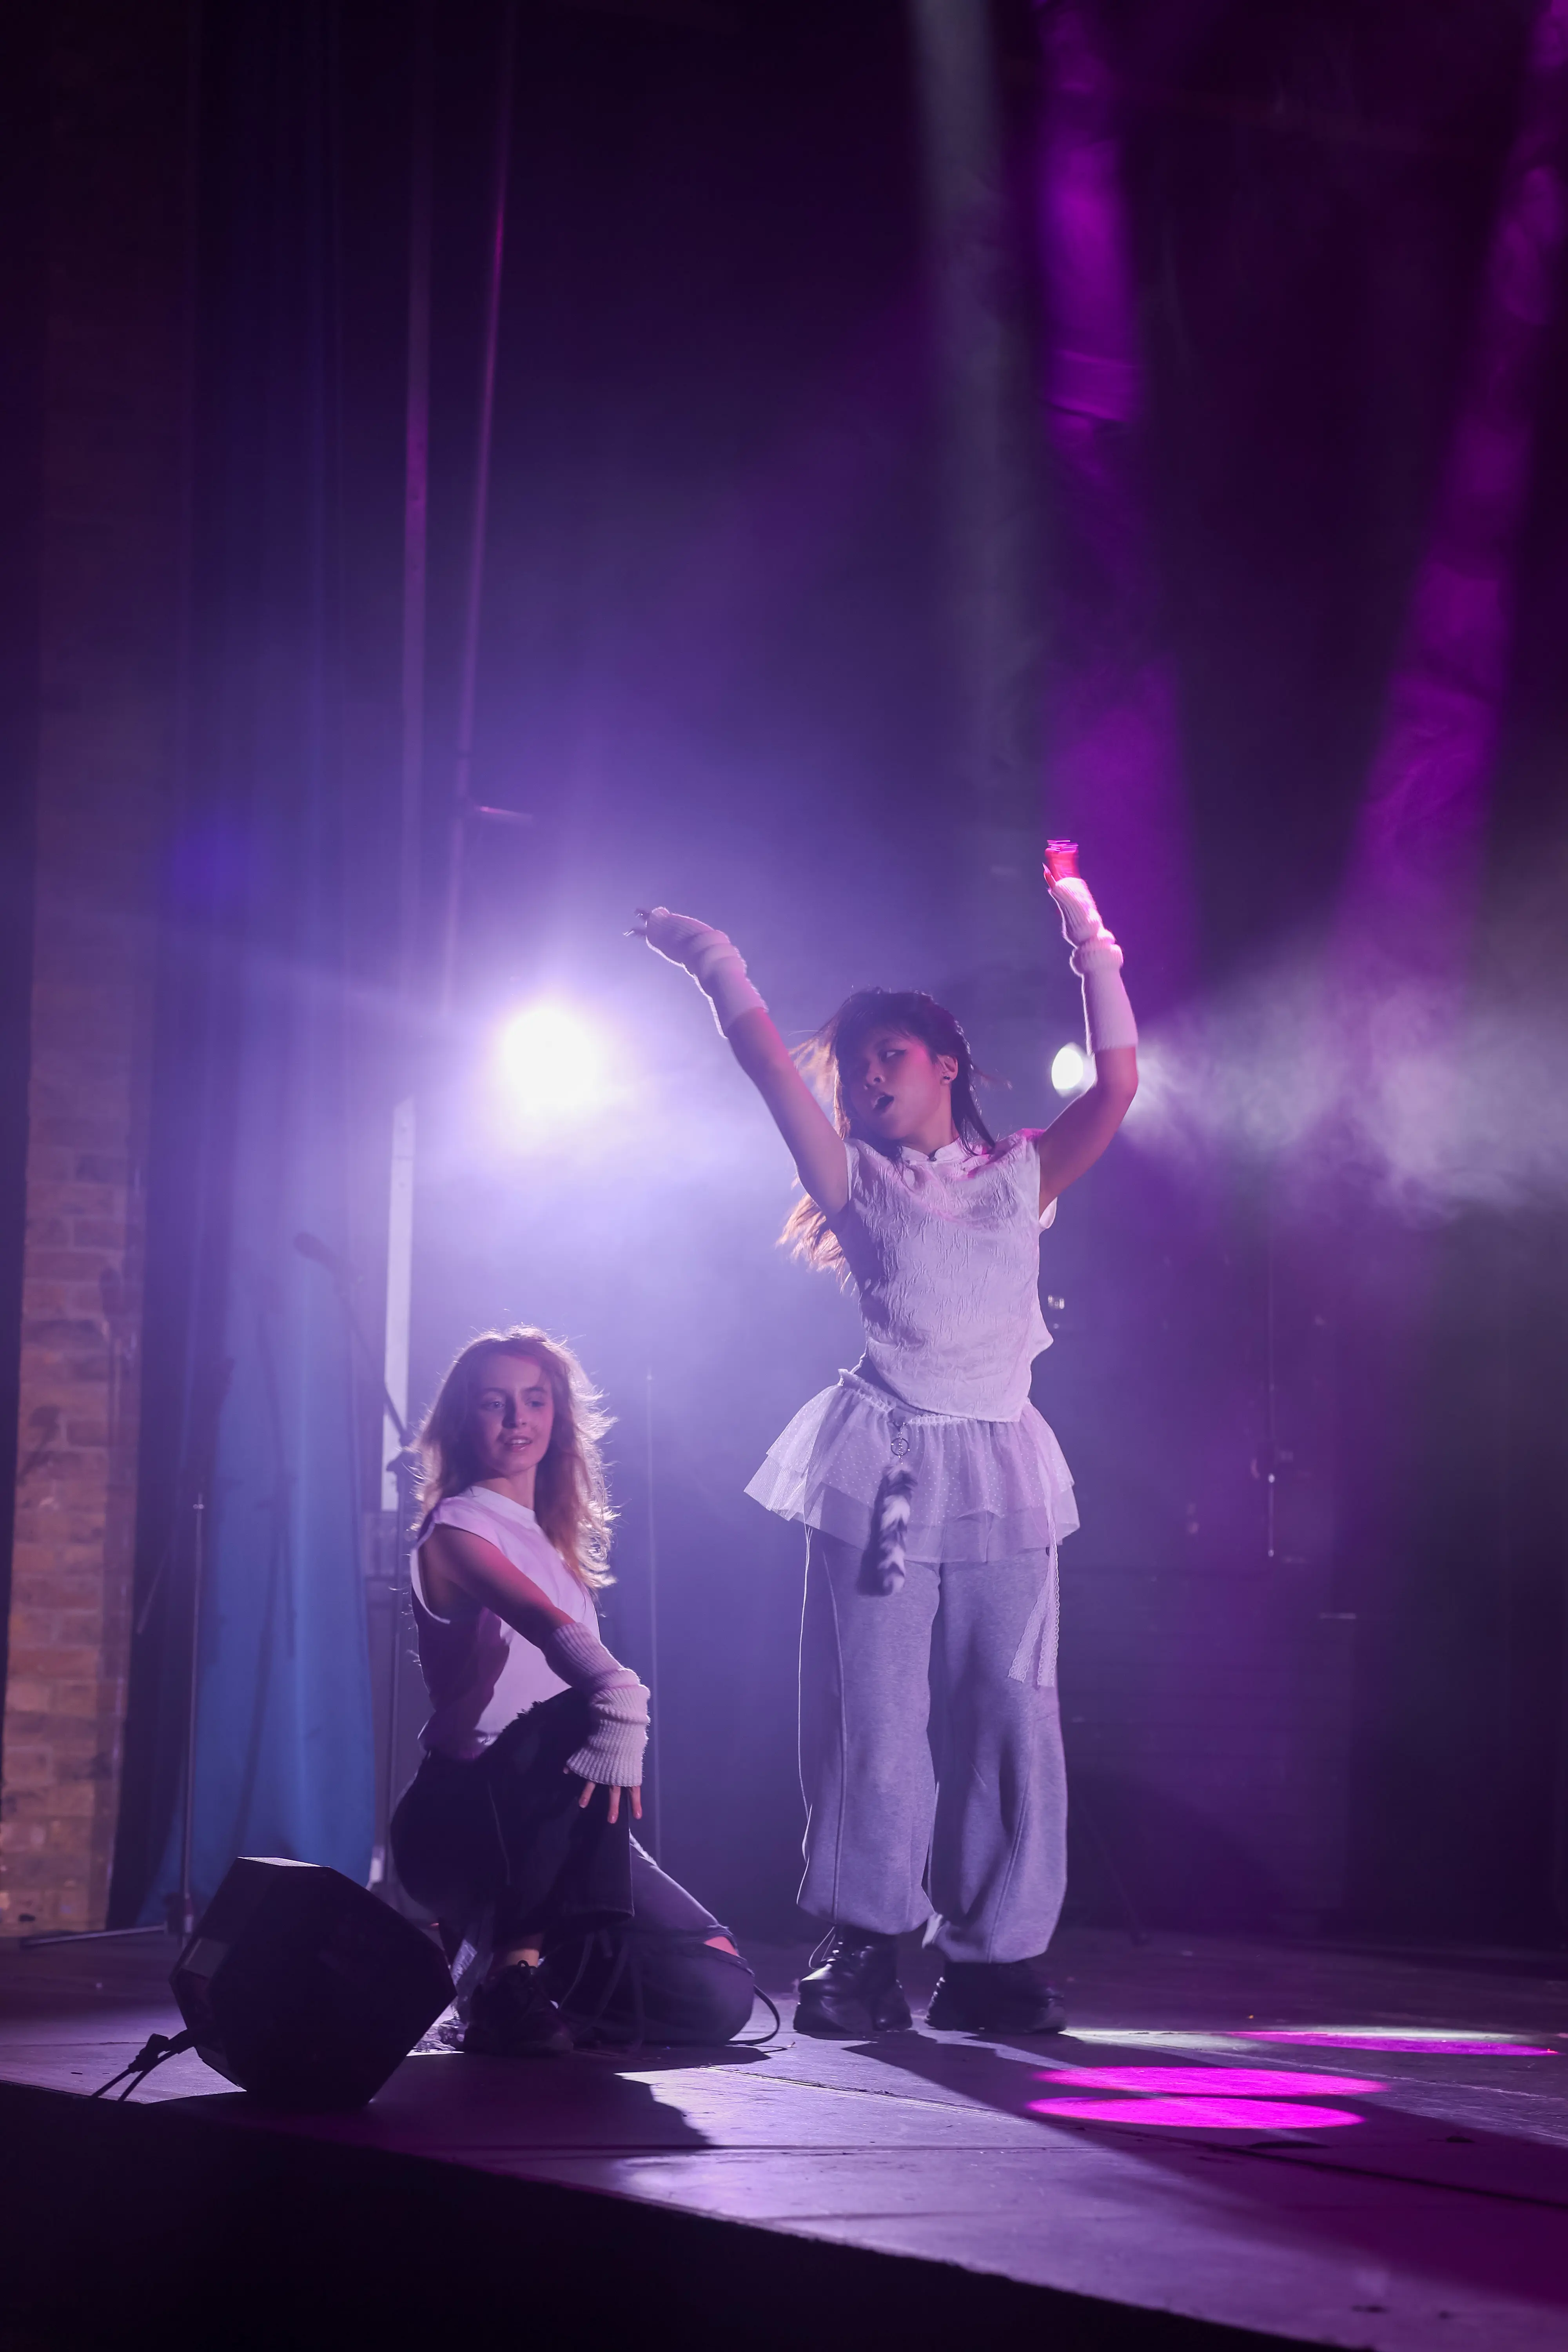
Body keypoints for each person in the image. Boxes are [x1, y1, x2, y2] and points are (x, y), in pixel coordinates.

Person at [636, 845, 1136, 2039]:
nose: (866, 1076)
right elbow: (771, 1070)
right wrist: (714, 964)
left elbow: (1117, 1084)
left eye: (889, 1055)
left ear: (945, 1063)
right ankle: (862, 1944)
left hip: (1003, 1472)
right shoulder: (856, 1179)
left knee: (1011, 1705)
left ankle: (994, 1958)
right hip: (896, 1476)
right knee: (878, 1704)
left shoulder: (1019, 1177)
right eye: (856, 1064)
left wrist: (1089, 936)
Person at [390, 1327, 760, 2054]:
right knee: (574, 1712)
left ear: (557, 1416)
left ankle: (522, 1979)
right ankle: (510, 1970)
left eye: (535, 1401)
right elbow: (555, 1639)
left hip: (557, 1820)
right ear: (463, 1420)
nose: (517, 1419)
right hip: (465, 1815)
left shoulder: (550, 1542)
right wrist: (619, 1697)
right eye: (494, 1403)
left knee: (718, 1993)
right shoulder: (454, 1529)